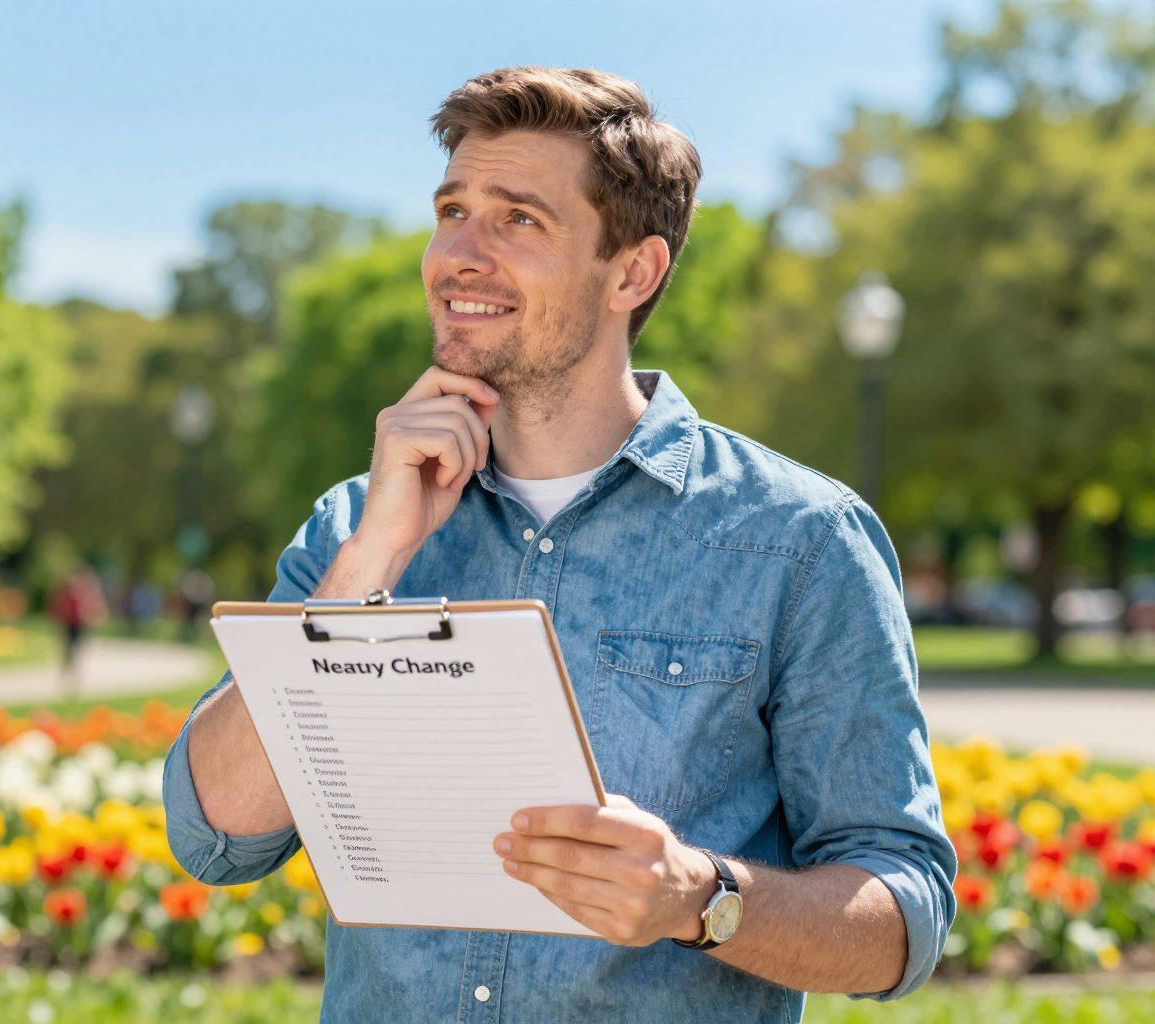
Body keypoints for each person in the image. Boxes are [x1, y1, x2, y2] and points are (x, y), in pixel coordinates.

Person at [162, 66, 956, 1022]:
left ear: (634, 271)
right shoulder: (353, 525)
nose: (460, 252)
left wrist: (700, 900)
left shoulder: (800, 543)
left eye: (518, 220)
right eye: (452, 209)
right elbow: (214, 834)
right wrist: (367, 568)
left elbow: (903, 917)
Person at [49, 566, 105, 697]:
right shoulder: (66, 592)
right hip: (68, 624)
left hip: (80, 624)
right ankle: (68, 671)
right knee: (68, 649)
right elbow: (58, 607)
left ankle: (73, 674)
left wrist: (94, 618)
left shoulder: (84, 592)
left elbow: (93, 606)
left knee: (77, 649)